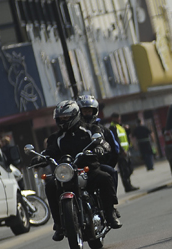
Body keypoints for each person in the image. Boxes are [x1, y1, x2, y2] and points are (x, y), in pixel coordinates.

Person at [41, 100, 121, 241]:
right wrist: (41, 157)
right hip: (66, 172)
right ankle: (58, 224)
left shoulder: (90, 129)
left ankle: (110, 213)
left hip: (89, 169)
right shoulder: (55, 137)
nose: (63, 120)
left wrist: (100, 148)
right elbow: (50, 150)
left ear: (75, 116)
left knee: (105, 177)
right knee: (51, 185)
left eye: (66, 117)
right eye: (61, 118)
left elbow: (104, 143)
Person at [77, 95, 140, 193]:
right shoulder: (73, 131)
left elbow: (114, 149)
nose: (87, 114)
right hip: (77, 167)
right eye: (84, 112)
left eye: (89, 111)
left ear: (94, 112)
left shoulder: (103, 130)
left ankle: (110, 207)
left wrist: (107, 162)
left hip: (97, 165)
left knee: (110, 173)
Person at [109, 113, 139, 191]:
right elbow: (115, 140)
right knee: (124, 170)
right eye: (118, 118)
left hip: (126, 150)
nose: (119, 119)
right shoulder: (113, 127)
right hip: (121, 152)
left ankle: (129, 184)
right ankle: (128, 186)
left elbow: (126, 136)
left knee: (130, 168)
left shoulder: (120, 126)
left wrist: (127, 130)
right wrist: (121, 150)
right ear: (114, 118)